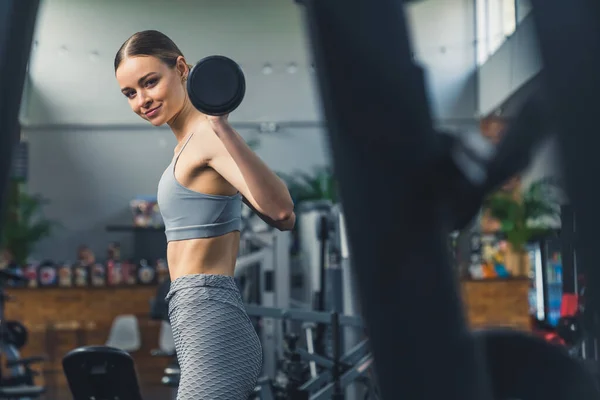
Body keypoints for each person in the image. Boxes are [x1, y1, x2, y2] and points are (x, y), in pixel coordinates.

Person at [114, 30, 295, 399]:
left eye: (150, 83)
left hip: (211, 314)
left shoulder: (208, 136)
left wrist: (220, 125)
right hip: (194, 313)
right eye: (130, 93)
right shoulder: (187, 143)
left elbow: (281, 213)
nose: (142, 100)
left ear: (180, 68)